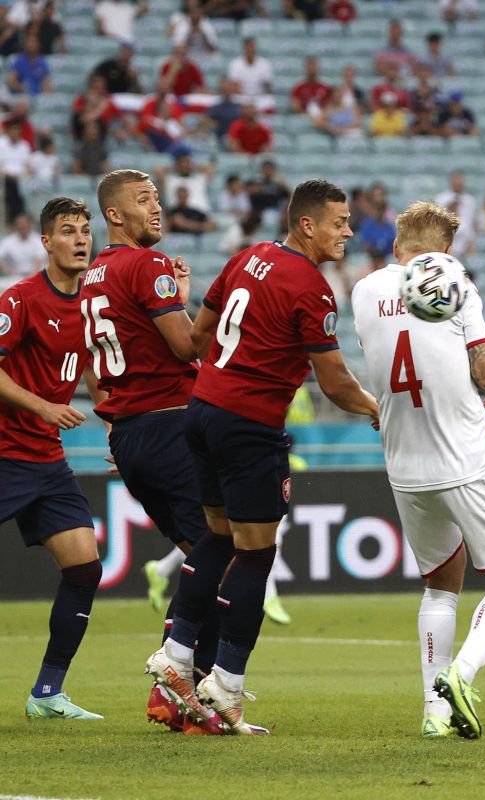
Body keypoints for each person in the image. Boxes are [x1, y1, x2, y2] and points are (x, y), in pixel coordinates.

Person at [145, 180, 379, 735]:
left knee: (219, 535)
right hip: (249, 425)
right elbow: (337, 382)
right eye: (339, 221)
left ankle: (176, 654)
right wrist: (380, 411)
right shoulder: (312, 288)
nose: (347, 231)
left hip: (202, 410)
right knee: (255, 555)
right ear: (307, 225)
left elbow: (200, 335)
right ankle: (224, 686)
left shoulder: (245, 258)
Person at [353, 203, 485, 737]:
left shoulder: (364, 291)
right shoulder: (454, 281)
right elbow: (484, 367)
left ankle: (434, 715)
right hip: (466, 457)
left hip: (404, 463)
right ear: (446, 251)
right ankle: (462, 673)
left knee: (440, 585)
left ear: (396, 246)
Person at [83, 169, 227, 734]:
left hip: (132, 431)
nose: (157, 207)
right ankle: (186, 684)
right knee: (222, 552)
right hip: (170, 424)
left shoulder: (94, 274)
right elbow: (187, 344)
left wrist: (121, 422)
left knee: (204, 555)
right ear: (114, 214)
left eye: (158, 197)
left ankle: (183, 694)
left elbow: (113, 349)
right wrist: (218, 309)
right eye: (143, 199)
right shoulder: (147, 265)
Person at [0, 198, 103, 721]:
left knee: (85, 568)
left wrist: (117, 429)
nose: (81, 239)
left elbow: (94, 373)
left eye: (86, 230)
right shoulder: (19, 300)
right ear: (46, 242)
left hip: (46, 461)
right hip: (3, 454)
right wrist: (44, 407)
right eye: (68, 231)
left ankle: (47, 693)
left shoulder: (90, 304)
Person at [0, 213, 47, 280]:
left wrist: (32, 276)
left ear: (29, 224)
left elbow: (40, 260)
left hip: (36, 275)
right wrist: (9, 272)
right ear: (16, 225)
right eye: (20, 223)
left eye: (25, 223)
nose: (22, 226)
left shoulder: (38, 239)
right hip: (15, 276)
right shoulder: (8, 241)